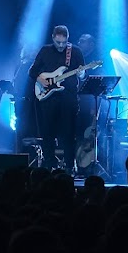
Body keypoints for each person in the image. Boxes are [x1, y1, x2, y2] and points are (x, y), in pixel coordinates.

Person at [28, 25, 87, 173]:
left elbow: (82, 76)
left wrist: (81, 74)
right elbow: (32, 71)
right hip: (48, 99)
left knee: (69, 134)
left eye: (64, 42)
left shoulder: (75, 51)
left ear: (68, 39)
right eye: (58, 42)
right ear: (53, 38)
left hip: (68, 99)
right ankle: (49, 164)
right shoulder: (45, 50)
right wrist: (40, 79)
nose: (61, 45)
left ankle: (69, 166)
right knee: (47, 133)